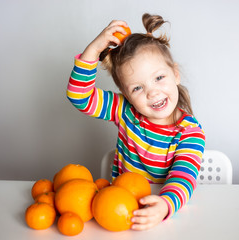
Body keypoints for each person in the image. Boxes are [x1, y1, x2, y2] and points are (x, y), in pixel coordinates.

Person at [66, 13, 205, 230]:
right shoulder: (125, 110)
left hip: (161, 218)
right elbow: (80, 97)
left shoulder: (190, 133)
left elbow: (183, 177)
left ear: (175, 74)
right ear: (126, 94)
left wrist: (165, 205)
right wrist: (93, 49)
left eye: (159, 78)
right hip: (118, 213)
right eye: (137, 88)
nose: (152, 92)